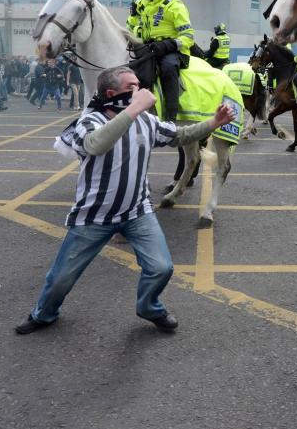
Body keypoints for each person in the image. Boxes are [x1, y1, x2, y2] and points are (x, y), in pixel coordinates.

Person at [15, 65, 237, 335]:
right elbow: (96, 144)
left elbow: (180, 135)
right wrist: (134, 109)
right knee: (61, 277)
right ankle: (44, 314)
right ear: (112, 93)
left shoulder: (147, 121)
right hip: (94, 216)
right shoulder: (90, 120)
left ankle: (149, 307)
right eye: (132, 87)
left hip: (137, 211)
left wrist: (213, 123)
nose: (141, 90)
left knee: (161, 267)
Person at [128, 0, 196, 121]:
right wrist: (133, 17)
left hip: (173, 51)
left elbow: (188, 36)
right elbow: (131, 29)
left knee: (168, 68)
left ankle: (170, 117)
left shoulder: (175, 5)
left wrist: (168, 45)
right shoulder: (140, 5)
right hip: (149, 48)